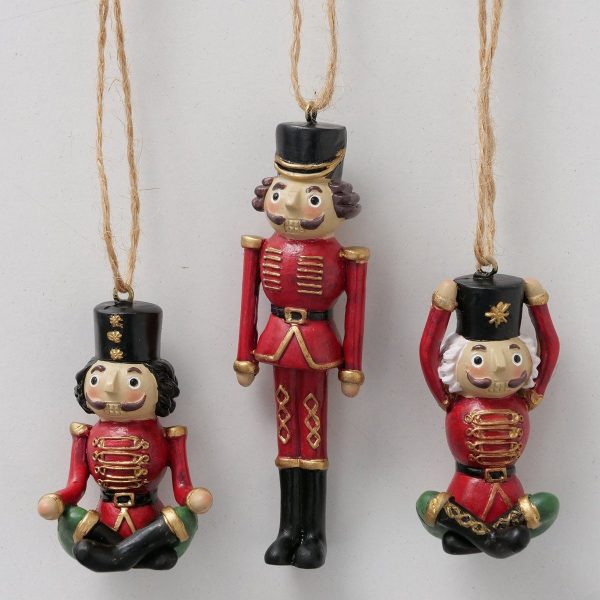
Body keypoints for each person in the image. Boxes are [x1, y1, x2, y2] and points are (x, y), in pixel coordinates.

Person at [235, 120, 368, 568]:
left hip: (316, 344)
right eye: (280, 193)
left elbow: (355, 308)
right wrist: (244, 354)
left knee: (312, 439)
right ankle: (287, 530)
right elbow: (248, 298)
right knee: (286, 439)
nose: (290, 208)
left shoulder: (341, 255)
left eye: (311, 198)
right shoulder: (264, 247)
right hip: (276, 343)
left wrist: (352, 365)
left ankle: (314, 534)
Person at [38, 300, 212, 571]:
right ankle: (140, 556)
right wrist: (58, 499)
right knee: (68, 517)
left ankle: (115, 556)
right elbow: (76, 484)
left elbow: (182, 485)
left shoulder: (169, 437)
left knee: (186, 517)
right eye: (96, 379)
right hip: (105, 523)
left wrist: (192, 496)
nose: (109, 390)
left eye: (132, 381)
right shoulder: (85, 435)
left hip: (149, 518)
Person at [417, 273, 559, 557]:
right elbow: (427, 352)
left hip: (511, 495)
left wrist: (539, 305)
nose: (499, 368)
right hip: (465, 491)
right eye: (479, 359)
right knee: (427, 503)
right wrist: (441, 308)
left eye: (515, 357)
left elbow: (551, 348)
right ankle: (496, 543)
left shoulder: (525, 398)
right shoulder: (453, 400)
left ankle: (474, 538)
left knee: (548, 504)